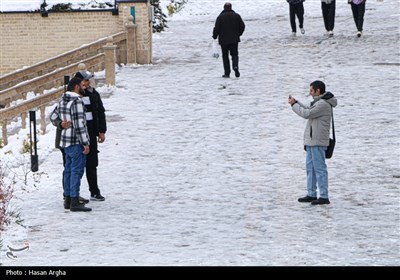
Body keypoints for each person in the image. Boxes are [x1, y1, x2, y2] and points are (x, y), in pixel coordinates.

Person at [288, 80, 337, 205]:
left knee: (319, 169)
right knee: (310, 169)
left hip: (317, 142)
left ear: (318, 90)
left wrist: (294, 106)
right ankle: (311, 194)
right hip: (312, 141)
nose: (310, 93)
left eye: (311, 90)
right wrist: (296, 102)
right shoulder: (318, 103)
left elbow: (306, 113)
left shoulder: (323, 104)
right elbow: (308, 109)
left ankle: (324, 196)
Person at [55, 77, 91, 211]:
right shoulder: (76, 101)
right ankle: (75, 201)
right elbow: (79, 124)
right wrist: (85, 143)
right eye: (82, 85)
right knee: (76, 171)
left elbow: (53, 116)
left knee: (68, 170)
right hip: (76, 141)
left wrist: (61, 124)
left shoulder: (63, 99)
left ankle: (68, 199)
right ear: (76, 86)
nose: (84, 87)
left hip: (65, 141)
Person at [74, 70, 107, 201]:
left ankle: (94, 191)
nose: (87, 83)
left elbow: (100, 112)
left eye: (88, 80)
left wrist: (101, 131)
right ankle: (71, 194)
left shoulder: (94, 94)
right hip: (76, 136)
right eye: (85, 80)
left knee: (92, 164)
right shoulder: (72, 96)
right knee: (74, 166)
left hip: (91, 134)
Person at [212, 2, 245, 78]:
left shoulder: (220, 17)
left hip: (223, 41)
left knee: (225, 56)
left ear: (224, 8)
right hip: (234, 40)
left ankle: (227, 73)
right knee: (234, 54)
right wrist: (238, 34)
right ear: (231, 7)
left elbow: (217, 28)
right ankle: (235, 66)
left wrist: (214, 36)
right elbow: (242, 26)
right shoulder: (236, 16)